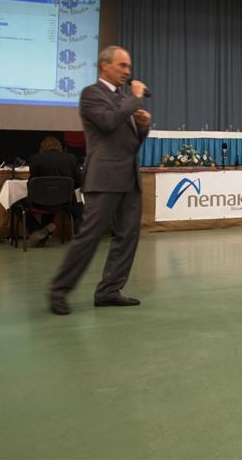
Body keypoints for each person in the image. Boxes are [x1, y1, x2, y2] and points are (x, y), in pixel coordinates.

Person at [48, 46, 151, 315]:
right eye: (122, 65)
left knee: (127, 236)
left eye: (128, 66)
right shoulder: (92, 94)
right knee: (90, 236)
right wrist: (135, 100)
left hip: (129, 176)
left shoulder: (123, 99)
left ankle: (109, 290)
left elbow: (131, 141)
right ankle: (59, 290)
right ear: (105, 66)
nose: (127, 71)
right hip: (105, 176)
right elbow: (107, 122)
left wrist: (143, 126)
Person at [22, 135, 83, 245]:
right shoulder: (71, 159)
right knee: (78, 205)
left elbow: (30, 185)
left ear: (42, 148)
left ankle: (38, 229)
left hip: (40, 202)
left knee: (17, 205)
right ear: (59, 147)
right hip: (65, 203)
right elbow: (80, 181)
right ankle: (80, 237)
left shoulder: (35, 159)